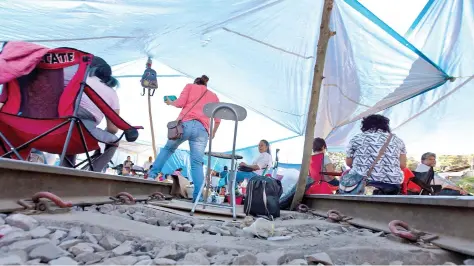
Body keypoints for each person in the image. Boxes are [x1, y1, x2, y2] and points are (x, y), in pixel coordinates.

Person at [148, 75, 220, 201]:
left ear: (195, 82)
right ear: (205, 85)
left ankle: (152, 175)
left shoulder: (189, 86)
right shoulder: (214, 96)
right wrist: (213, 132)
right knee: (196, 163)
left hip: (184, 125)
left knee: (168, 149)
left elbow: (180, 103)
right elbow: (218, 119)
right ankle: (198, 197)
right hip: (202, 131)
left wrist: (170, 102)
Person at [61, 56, 120, 172]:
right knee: (114, 141)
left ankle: (66, 171)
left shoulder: (73, 78)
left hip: (56, 127)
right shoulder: (111, 93)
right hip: (84, 131)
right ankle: (93, 172)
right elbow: (113, 128)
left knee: (71, 134)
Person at [345, 114, 407, 195]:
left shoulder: (356, 139)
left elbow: (349, 163)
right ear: (386, 126)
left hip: (362, 184)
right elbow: (402, 165)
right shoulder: (398, 140)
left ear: (364, 125)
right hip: (392, 184)